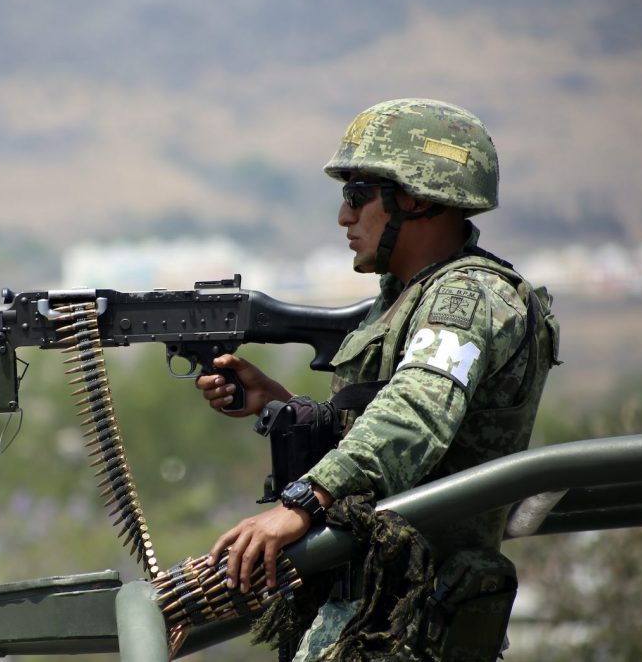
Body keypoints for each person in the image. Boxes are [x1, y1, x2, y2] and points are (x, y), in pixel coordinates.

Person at [197, 98, 560, 660]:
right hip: (374, 604)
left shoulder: (468, 298)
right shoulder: (406, 299)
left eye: (357, 196)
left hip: (415, 615)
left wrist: (301, 504)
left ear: (414, 198)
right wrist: (283, 403)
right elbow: (393, 426)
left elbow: (414, 416)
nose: (344, 217)